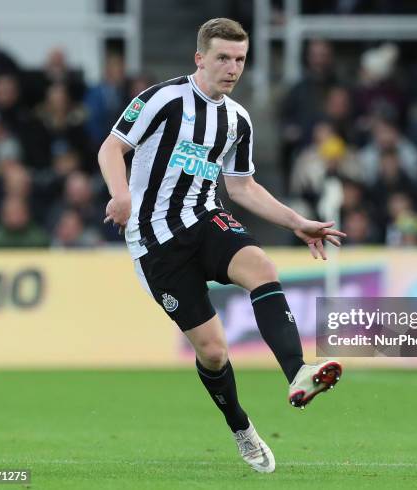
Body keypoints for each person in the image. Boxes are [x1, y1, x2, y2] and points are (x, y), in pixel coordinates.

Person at [98, 18, 345, 474]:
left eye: (240, 60)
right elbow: (111, 149)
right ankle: (241, 428)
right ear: (200, 58)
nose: (232, 68)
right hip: (155, 240)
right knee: (213, 351)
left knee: (262, 268)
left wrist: (297, 222)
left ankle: (298, 372)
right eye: (223, 58)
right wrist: (121, 194)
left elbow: (243, 187)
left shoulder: (237, 119)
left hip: (204, 218)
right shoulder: (161, 99)